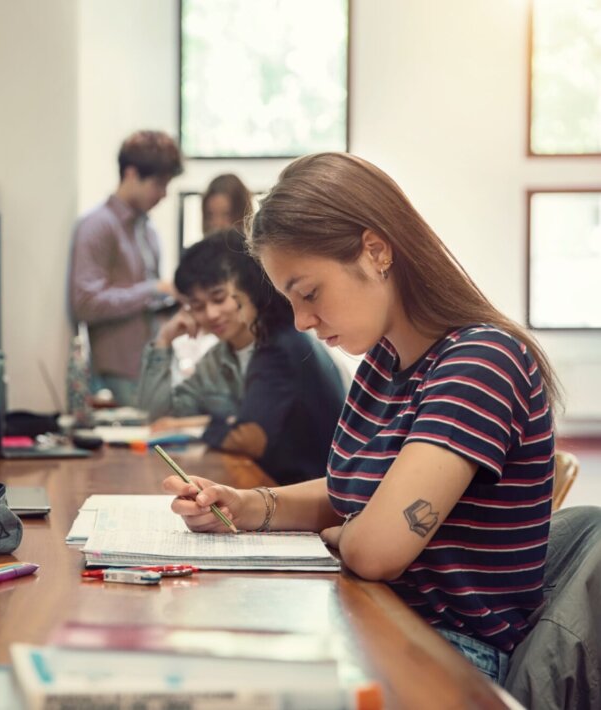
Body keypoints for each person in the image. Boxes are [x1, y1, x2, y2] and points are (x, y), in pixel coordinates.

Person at [163, 153, 558, 685]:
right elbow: (356, 493)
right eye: (290, 301)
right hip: (378, 620)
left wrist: (347, 533)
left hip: (448, 657)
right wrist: (246, 505)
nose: (302, 320)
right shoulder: (384, 363)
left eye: (309, 293)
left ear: (375, 252)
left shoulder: (480, 361)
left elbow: (377, 550)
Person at [137, 233, 345, 484]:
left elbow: (250, 437)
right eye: (197, 306)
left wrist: (202, 425)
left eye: (222, 298)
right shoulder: (219, 358)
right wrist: (162, 343)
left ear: (250, 291)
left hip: (308, 494)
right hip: (272, 485)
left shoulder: (279, 347)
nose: (212, 314)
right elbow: (160, 420)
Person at [69, 130, 182, 406]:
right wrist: (152, 290)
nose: (164, 194)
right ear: (131, 174)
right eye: (159, 183)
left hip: (153, 367)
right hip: (117, 378)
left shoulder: (148, 231)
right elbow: (84, 303)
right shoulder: (98, 225)